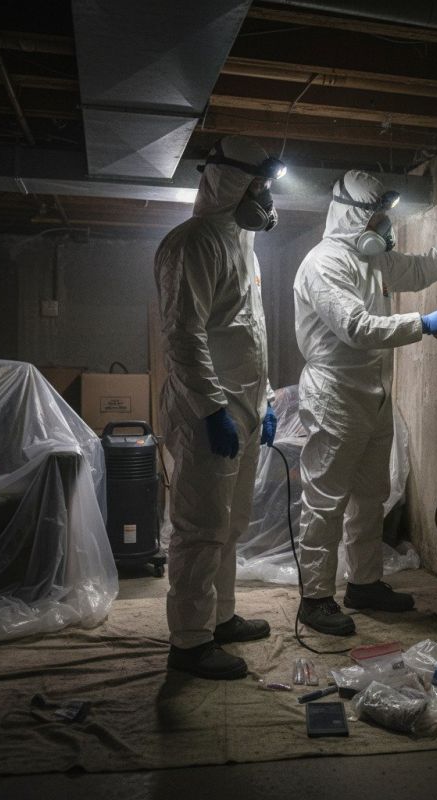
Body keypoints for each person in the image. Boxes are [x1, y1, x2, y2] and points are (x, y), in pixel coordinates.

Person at [293, 169, 437, 635]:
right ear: (351, 217)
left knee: (370, 496)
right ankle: (315, 598)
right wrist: (423, 324)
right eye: (377, 215)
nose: (385, 224)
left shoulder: (374, 262)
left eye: (386, 214)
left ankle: (364, 583)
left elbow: (419, 270)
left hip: (373, 393)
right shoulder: (324, 264)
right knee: (325, 500)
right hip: (334, 394)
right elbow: (357, 327)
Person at [155, 136, 284, 679]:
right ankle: (189, 642)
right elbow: (184, 337)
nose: (265, 197)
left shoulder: (242, 245)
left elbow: (247, 333)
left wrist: (268, 396)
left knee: (231, 525)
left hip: (245, 408)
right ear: (231, 183)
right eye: (258, 185)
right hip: (209, 412)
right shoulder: (193, 243)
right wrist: (212, 408)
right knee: (200, 527)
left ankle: (221, 617)